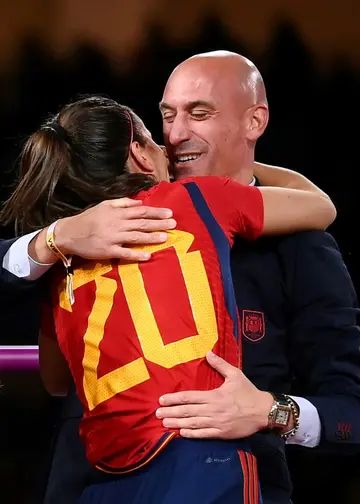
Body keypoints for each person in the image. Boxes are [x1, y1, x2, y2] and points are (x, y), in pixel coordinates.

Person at [1, 51, 359, 504]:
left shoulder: (303, 249)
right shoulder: (71, 241)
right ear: (138, 151)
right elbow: (320, 202)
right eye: (165, 118)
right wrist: (53, 237)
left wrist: (273, 411)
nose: (174, 135)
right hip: (101, 483)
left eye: (199, 113)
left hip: (220, 475)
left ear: (255, 121)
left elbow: (350, 411)